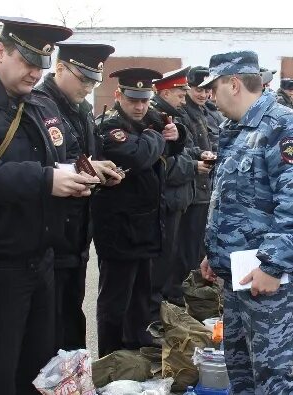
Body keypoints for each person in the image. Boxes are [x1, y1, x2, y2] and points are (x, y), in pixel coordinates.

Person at [0, 15, 99, 395]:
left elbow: (54, 159)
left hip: (42, 257)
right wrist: (46, 181)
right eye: (28, 62)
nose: (34, 73)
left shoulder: (38, 105)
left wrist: (71, 180)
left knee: (37, 370)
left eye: (41, 65)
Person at [199, 50, 293, 394]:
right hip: (237, 274)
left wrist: (272, 266)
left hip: (267, 280)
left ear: (233, 84)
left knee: (272, 380)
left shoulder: (285, 128)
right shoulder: (236, 129)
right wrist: (216, 253)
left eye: (214, 88)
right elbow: (231, 200)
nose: (210, 96)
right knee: (241, 375)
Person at [36, 41, 123, 351]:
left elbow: (85, 155)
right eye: (83, 79)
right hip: (50, 231)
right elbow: (42, 164)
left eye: (93, 81)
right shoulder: (39, 104)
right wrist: (88, 168)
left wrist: (100, 172)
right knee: (50, 326)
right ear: (60, 68)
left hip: (77, 230)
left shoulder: (81, 109)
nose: (88, 87)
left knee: (71, 316)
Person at [92, 67, 180, 357]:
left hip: (146, 226)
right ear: (119, 95)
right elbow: (139, 156)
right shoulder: (109, 125)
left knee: (142, 295)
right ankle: (111, 355)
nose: (140, 106)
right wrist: (157, 137)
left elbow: (176, 142)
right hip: (118, 229)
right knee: (115, 300)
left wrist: (175, 134)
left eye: (144, 100)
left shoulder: (149, 120)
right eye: (133, 100)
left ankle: (137, 346)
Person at [149, 66, 197, 313]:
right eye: (179, 94)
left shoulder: (173, 118)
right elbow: (165, 166)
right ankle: (154, 315)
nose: (183, 99)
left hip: (176, 200)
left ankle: (160, 310)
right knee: (159, 266)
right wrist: (194, 166)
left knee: (170, 259)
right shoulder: (157, 118)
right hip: (165, 200)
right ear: (165, 93)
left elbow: (185, 151)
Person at [176, 66, 216, 290]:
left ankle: (196, 293)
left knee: (198, 246)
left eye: (207, 89)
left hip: (204, 187)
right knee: (187, 249)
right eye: (197, 89)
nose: (202, 94)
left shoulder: (204, 111)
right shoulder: (183, 112)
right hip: (192, 188)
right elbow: (188, 148)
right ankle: (187, 294)